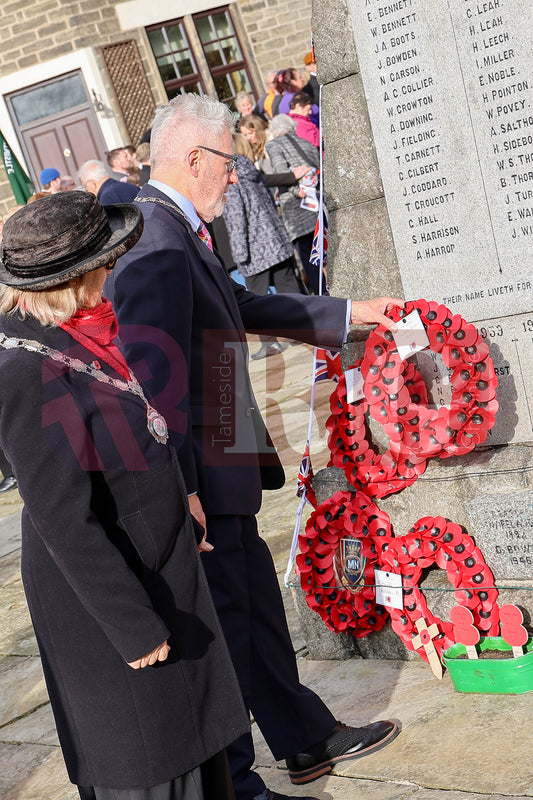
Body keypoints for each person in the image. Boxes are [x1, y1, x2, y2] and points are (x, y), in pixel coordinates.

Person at [105, 93, 402, 800]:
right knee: (225, 620)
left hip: (224, 447)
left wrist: (341, 313)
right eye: (230, 165)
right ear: (194, 157)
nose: (236, 179)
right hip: (200, 461)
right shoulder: (153, 236)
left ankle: (303, 737)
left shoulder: (179, 227)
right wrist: (181, 487)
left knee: (254, 606)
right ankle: (236, 780)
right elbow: (154, 376)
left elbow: (236, 308)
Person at [0, 191, 249, 800]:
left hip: (156, 563)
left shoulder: (81, 328)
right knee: (152, 762)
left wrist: (178, 512)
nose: (115, 272)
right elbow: (64, 519)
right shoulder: (22, 369)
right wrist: (132, 626)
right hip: (110, 601)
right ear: (72, 277)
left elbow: (124, 439)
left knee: (196, 749)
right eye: (105, 263)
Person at [223, 133, 304, 359]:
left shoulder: (230, 176)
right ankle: (304, 330)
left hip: (254, 248)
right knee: (289, 287)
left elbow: (237, 216)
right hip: (274, 240)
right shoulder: (250, 169)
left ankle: (270, 344)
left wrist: (239, 252)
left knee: (255, 299)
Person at [265, 114, 322, 294]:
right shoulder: (307, 144)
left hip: (297, 211)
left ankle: (323, 298)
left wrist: (295, 191)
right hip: (317, 207)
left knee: (310, 260)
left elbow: (283, 174)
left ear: (274, 132)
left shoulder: (273, 145)